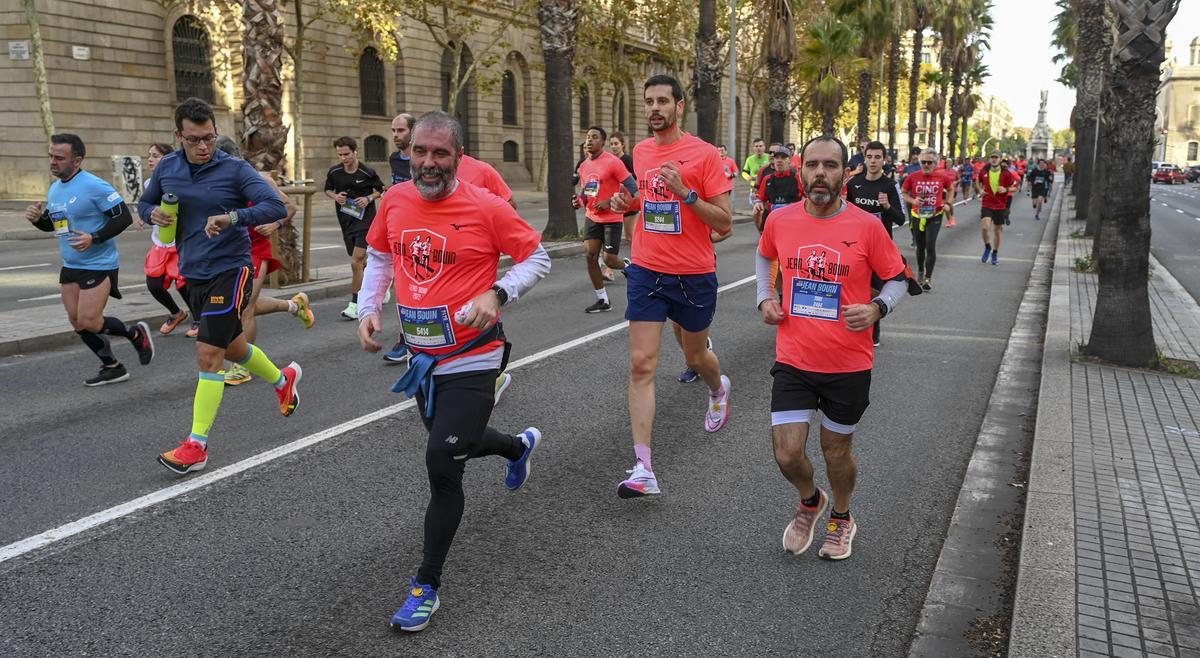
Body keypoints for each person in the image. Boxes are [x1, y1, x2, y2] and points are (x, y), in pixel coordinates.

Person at [356, 111, 550, 632]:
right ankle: (515, 447)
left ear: (458, 157)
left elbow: (538, 257)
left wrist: (498, 291)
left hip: (474, 353)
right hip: (423, 357)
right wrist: (369, 306)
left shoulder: (486, 207)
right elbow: (379, 256)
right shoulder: (394, 200)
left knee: (443, 460)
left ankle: (426, 586)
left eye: (440, 153)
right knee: (456, 441)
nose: (428, 162)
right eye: (420, 151)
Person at [756, 135, 908, 561]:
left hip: (847, 362)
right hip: (794, 357)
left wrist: (878, 307)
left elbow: (898, 278)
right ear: (801, 170)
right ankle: (810, 501)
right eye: (813, 165)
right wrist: (764, 298)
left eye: (830, 165)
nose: (820, 173)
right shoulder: (781, 220)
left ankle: (842, 516)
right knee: (787, 454)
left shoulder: (867, 226)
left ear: (846, 173)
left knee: (835, 451)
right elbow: (764, 256)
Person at [138, 97, 300, 474]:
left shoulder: (234, 169)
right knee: (232, 347)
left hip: (232, 269)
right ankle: (283, 378)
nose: (203, 146)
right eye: (194, 139)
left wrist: (233, 217)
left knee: (208, 353)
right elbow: (144, 203)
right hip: (193, 272)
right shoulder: (168, 168)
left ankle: (196, 446)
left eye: (209, 137)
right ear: (179, 135)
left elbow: (275, 207)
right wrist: (151, 212)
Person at [608, 74, 733, 498]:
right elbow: (647, 200)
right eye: (649, 102)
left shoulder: (703, 155)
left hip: (694, 274)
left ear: (680, 106)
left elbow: (725, 224)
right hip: (646, 270)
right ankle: (643, 467)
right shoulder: (640, 153)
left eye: (663, 101)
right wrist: (631, 204)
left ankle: (718, 388)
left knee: (696, 356)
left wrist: (686, 192)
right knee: (642, 364)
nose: (655, 108)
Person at [25, 132, 154, 386]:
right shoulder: (55, 189)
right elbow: (55, 224)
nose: (53, 161)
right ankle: (112, 366)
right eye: (51, 156)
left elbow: (123, 218)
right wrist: (38, 219)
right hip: (71, 264)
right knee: (77, 322)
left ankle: (135, 334)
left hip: (99, 263)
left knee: (89, 320)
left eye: (59, 158)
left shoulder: (94, 186)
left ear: (77, 160)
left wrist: (94, 237)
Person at [212, 137, 315, 386]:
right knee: (247, 305)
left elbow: (288, 206)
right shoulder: (215, 183)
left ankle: (241, 367)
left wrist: (275, 223)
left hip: (257, 249)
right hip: (232, 252)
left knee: (246, 308)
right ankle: (295, 306)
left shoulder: (259, 179)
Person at [845, 140, 905, 346]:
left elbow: (901, 219)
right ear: (864, 158)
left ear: (884, 160)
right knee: (855, 288)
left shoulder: (890, 186)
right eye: (869, 157)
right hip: (854, 246)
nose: (873, 161)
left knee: (875, 291)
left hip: (880, 249)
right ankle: (856, 328)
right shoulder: (854, 184)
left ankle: (874, 331)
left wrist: (887, 206)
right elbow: (846, 214)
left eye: (877, 157)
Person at [572, 126, 637, 313]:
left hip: (612, 218)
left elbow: (632, 188)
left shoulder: (613, 162)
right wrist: (580, 201)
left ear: (602, 142)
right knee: (591, 256)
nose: (589, 140)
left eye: (594, 137)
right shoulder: (584, 165)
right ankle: (603, 300)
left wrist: (610, 201)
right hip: (592, 217)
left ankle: (627, 266)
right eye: (587, 137)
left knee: (609, 260)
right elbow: (589, 191)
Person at [324, 136, 385, 320]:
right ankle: (378, 287)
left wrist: (368, 199)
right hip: (346, 221)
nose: (344, 158)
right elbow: (327, 189)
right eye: (340, 155)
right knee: (361, 262)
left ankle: (356, 304)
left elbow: (381, 189)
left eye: (347, 154)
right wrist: (335, 197)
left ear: (355, 151)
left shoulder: (367, 172)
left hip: (366, 220)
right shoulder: (334, 172)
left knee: (356, 261)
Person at [141, 141, 191, 335]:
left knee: (183, 285)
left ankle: (200, 319)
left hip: (180, 243)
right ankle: (176, 313)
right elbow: (146, 205)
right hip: (160, 243)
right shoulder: (148, 183)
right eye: (149, 155)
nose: (150, 159)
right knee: (153, 284)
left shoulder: (179, 181)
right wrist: (146, 216)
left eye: (155, 155)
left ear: (168, 159)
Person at [901, 148, 953, 291]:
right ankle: (920, 272)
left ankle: (928, 278)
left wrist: (948, 203)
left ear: (935, 163)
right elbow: (903, 192)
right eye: (923, 162)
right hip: (917, 215)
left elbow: (950, 189)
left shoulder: (942, 176)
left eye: (929, 162)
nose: (926, 165)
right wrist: (913, 200)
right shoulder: (913, 176)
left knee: (930, 245)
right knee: (920, 247)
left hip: (935, 215)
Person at [975, 152, 1018, 266]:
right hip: (987, 203)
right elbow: (977, 181)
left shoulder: (1006, 173)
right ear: (989, 159)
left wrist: (1005, 189)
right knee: (985, 227)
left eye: (996, 158)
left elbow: (1015, 187)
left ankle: (995, 253)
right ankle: (987, 247)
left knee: (997, 231)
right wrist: (980, 190)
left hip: (1000, 205)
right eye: (992, 157)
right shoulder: (984, 172)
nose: (994, 160)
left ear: (1000, 160)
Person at [741, 138, 769, 209]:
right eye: (756, 146)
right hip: (755, 188)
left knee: (766, 209)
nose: (758, 148)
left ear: (764, 147)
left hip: (767, 187)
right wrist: (749, 178)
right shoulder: (750, 159)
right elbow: (744, 172)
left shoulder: (769, 157)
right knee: (756, 210)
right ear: (753, 148)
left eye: (760, 146)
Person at [389, 112, 415, 185]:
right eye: (393, 130)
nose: (395, 135)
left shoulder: (422, 160)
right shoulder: (393, 158)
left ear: (413, 131)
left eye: (401, 130)